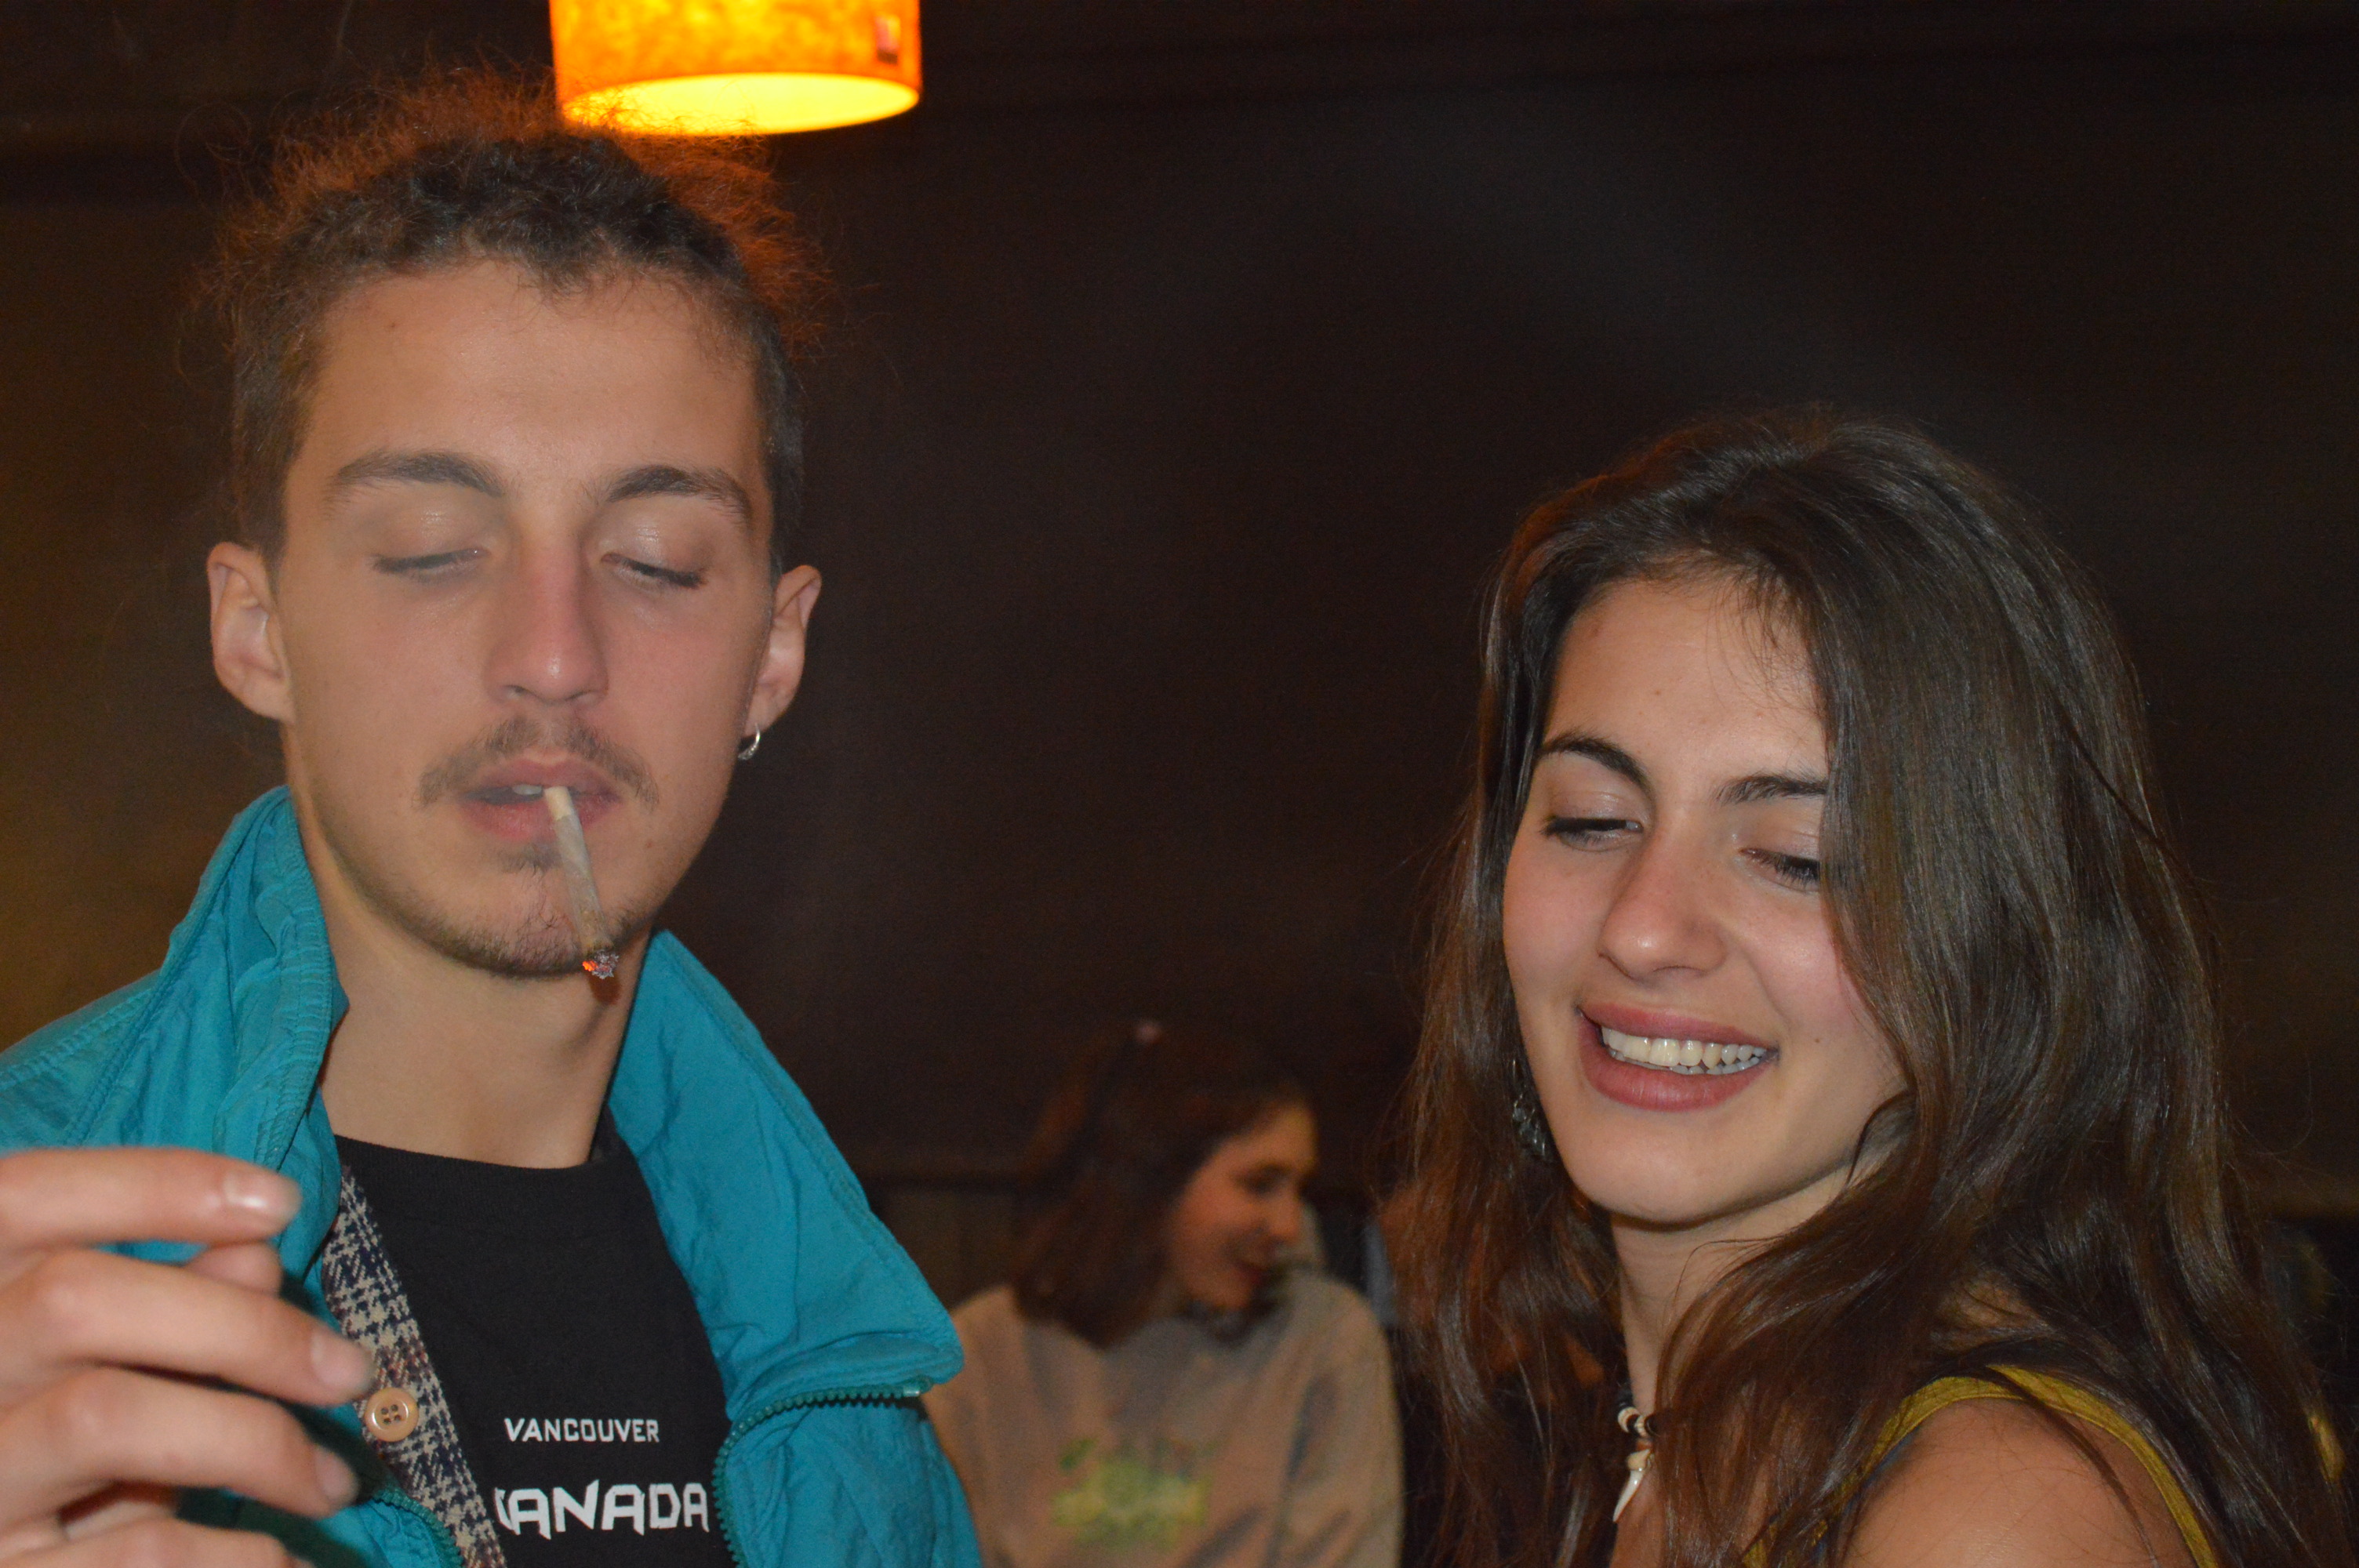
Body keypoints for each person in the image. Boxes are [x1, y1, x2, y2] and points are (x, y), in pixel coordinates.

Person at [0, 73, 978, 1568]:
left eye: (654, 561)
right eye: (429, 548)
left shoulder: (839, 1356)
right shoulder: (32, 1261)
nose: (554, 655)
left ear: (772, 658)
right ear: (257, 632)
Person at [1385, 411, 2350, 1568]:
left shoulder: (1985, 1521)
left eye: (1796, 857)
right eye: (1594, 821)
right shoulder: (1683, 1440)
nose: (1642, 928)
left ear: (1995, 938)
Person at [924, 1021, 1401, 1568]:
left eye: (1300, 1188)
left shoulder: (1323, 1339)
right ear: (1149, 1180)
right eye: (1259, 1185)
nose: (1289, 1226)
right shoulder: (979, 1354)